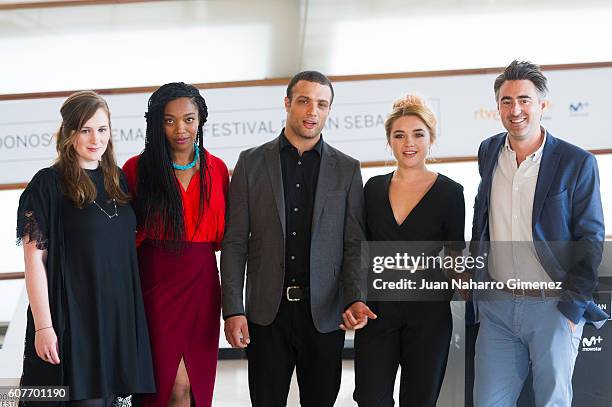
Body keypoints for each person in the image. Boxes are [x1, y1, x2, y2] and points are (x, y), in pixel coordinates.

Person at [221, 70, 376, 407]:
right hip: (266, 314)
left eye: (322, 104)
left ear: (329, 110)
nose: (312, 111)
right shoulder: (251, 162)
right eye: (304, 101)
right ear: (288, 103)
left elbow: (353, 244)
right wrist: (233, 309)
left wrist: (354, 298)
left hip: (323, 315)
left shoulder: (347, 169)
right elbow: (234, 242)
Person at [471, 60, 607, 406]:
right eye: (506, 101)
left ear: (542, 105)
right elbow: (482, 215)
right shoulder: (489, 151)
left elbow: (590, 238)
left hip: (553, 307)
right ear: (498, 106)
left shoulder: (576, 162)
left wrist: (573, 308)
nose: (515, 109)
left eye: (524, 100)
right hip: (498, 307)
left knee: (552, 402)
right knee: (488, 402)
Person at [16, 91, 155, 406]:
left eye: (102, 129)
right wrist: (44, 326)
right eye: (85, 129)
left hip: (116, 322)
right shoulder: (47, 185)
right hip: (73, 324)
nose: (96, 138)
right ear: (69, 133)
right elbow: (34, 261)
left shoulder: (118, 180)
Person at [353, 95, 466, 406]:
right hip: (378, 311)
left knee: (420, 400)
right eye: (399, 135)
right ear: (389, 141)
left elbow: (457, 256)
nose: (409, 143)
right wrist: (354, 298)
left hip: (429, 315)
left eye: (418, 134)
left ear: (432, 138)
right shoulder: (372, 188)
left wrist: (475, 287)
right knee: (370, 398)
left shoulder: (451, 192)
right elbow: (361, 251)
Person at [122, 82, 229, 407]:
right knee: (162, 386)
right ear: (157, 123)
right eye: (169, 120)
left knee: (189, 385)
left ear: (201, 120)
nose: (180, 128)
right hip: (154, 282)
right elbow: (125, 236)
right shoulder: (136, 169)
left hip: (202, 283)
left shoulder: (218, 169)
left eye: (188, 119)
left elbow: (227, 237)